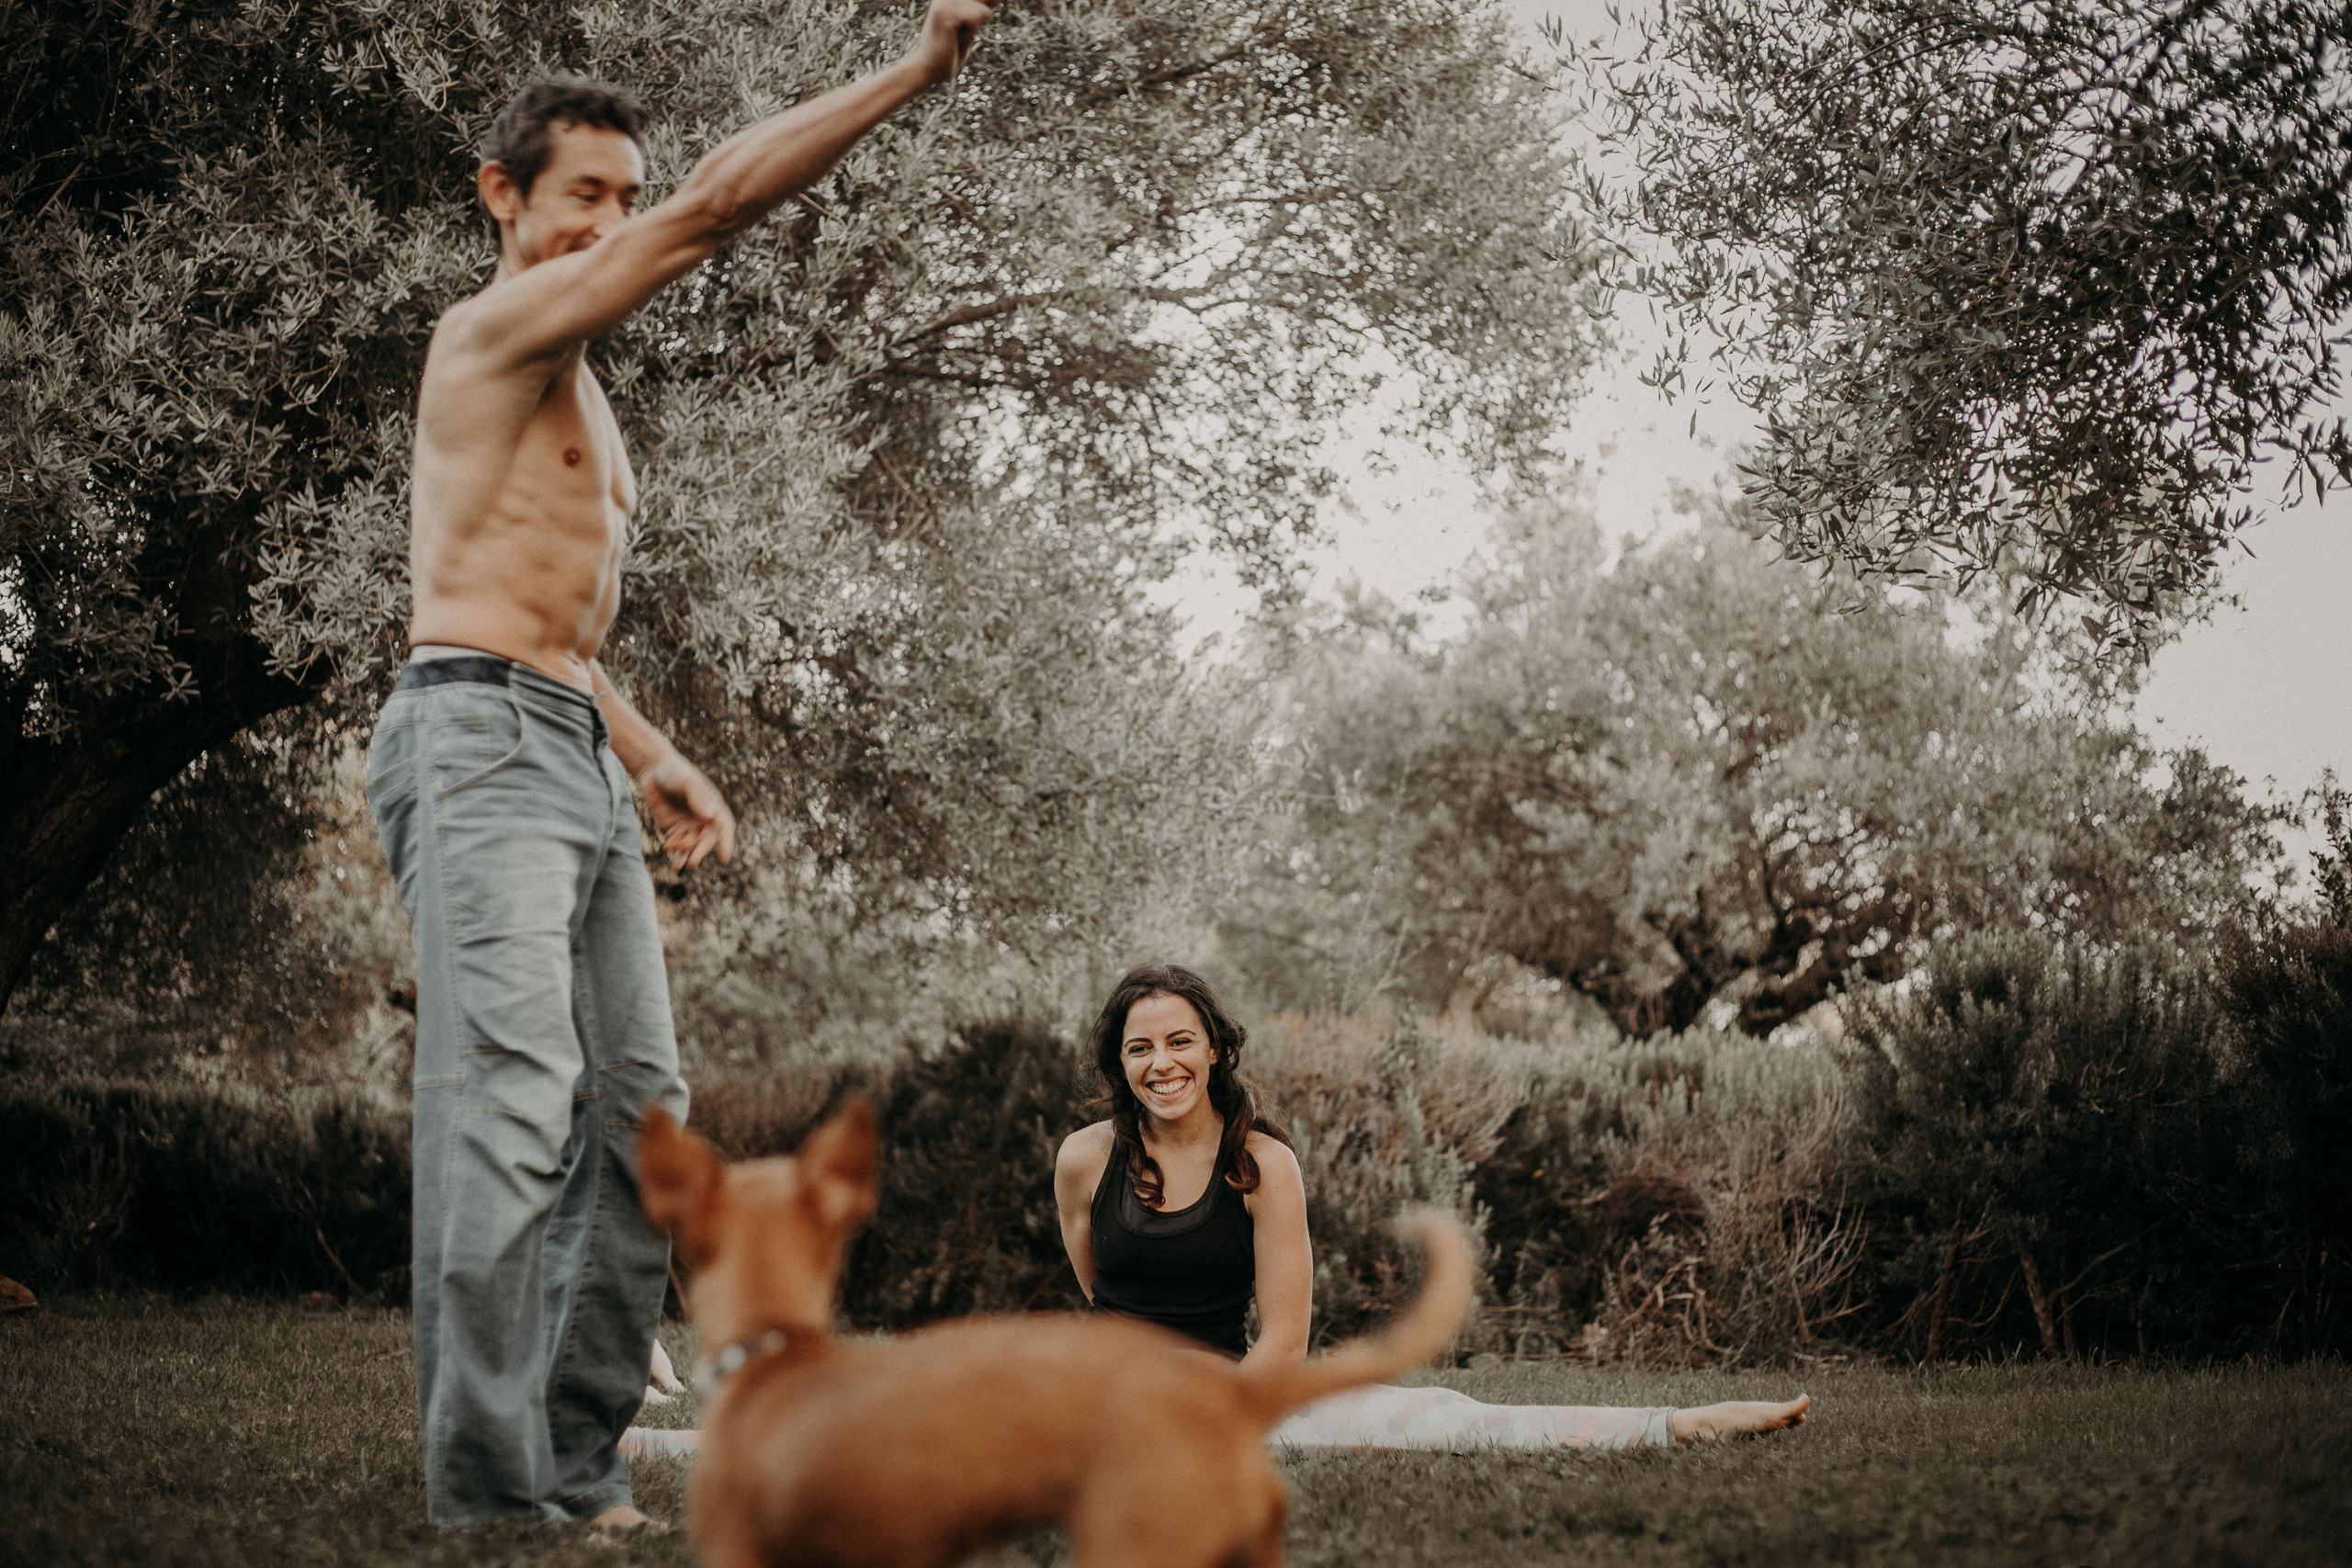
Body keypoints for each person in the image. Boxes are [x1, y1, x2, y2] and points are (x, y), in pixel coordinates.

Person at [365, 0, 996, 1532]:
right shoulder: (491, 332)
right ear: (499, 193)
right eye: (586, 190)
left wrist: (652, 752)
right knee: (508, 1098)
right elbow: (722, 203)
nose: (616, 219)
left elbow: (554, 623)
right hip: (472, 738)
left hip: (563, 743)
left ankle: (576, 1467)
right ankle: (487, 1488)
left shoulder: (579, 387)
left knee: (640, 1108)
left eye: (626, 198)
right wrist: (917, 70)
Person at [1051, 964, 1813, 1451]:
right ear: (1119, 1062)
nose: (1161, 1064)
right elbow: (1099, 1292)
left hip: (1234, 1396)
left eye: (1179, 1040)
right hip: (1097, 1403)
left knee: (1443, 1416)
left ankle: (1677, 1423)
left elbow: (1283, 1342)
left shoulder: (1263, 1166)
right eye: (1138, 1048)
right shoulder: (1085, 1160)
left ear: (1215, 1049)